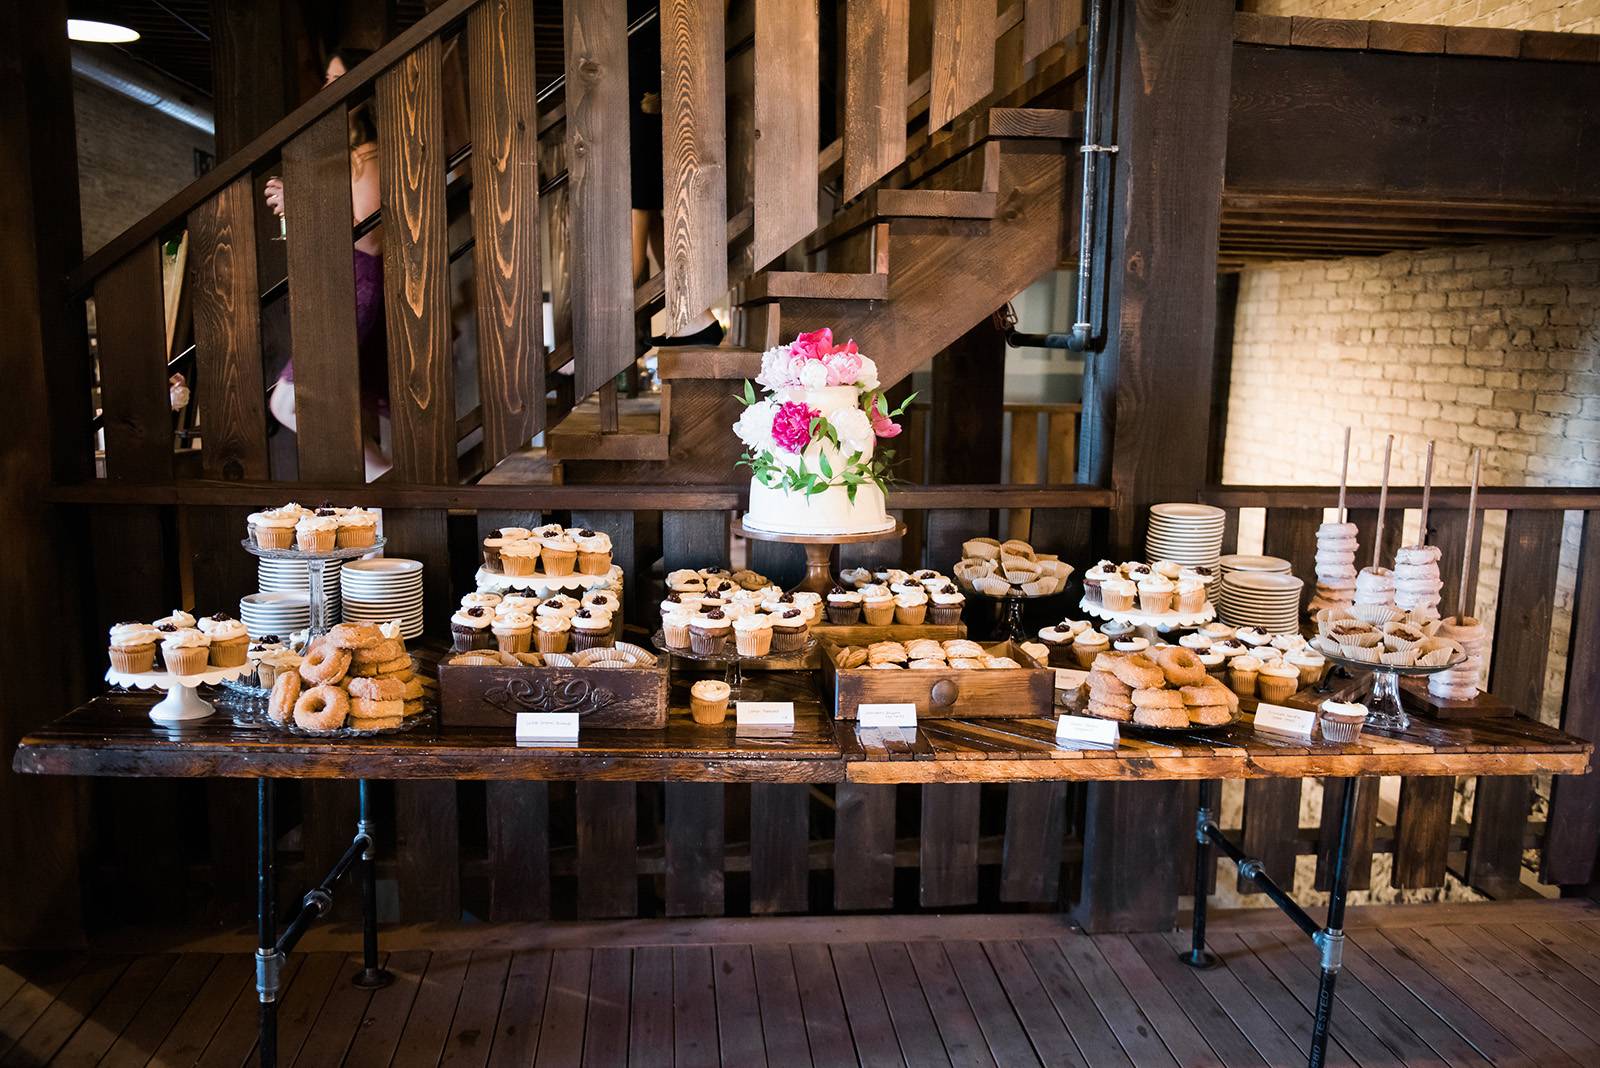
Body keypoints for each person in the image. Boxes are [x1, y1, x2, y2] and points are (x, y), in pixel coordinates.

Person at [264, 48, 391, 481]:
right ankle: (382, 489)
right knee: (311, 404)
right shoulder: (349, 154)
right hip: (339, 284)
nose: (327, 90)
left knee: (290, 401)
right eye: (327, 79)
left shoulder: (369, 154)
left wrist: (302, 204)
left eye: (338, 79)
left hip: (357, 286)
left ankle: (384, 480)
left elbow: (369, 237)